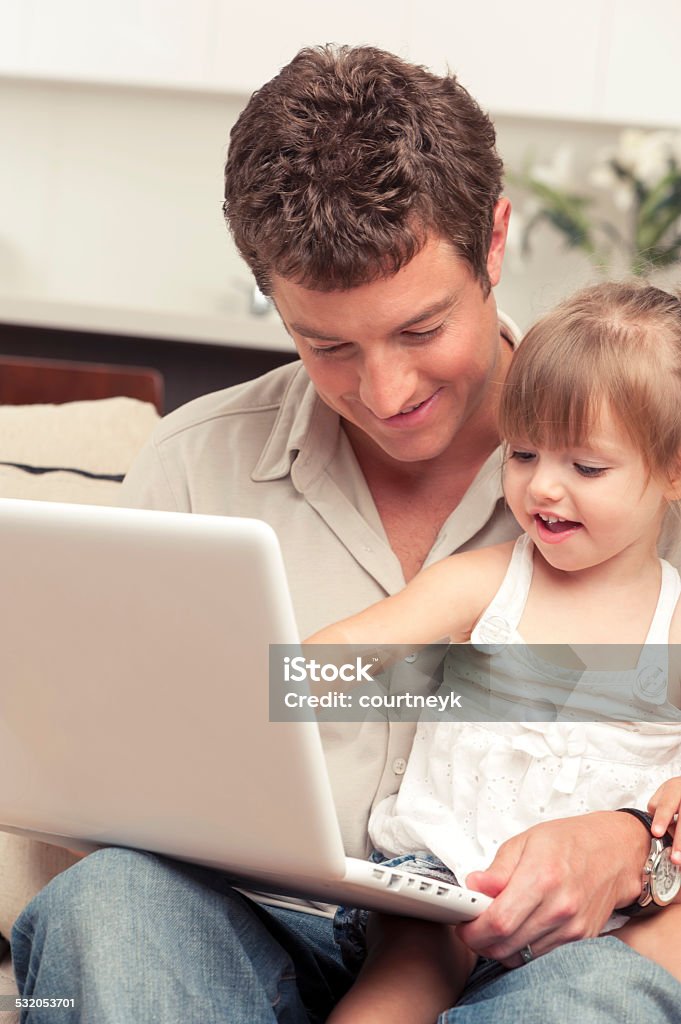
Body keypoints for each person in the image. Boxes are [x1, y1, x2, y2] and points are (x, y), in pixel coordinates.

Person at [10, 44, 681, 1023]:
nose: (387, 392)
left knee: (594, 995)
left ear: (493, 241)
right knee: (106, 904)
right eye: (326, 344)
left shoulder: (648, 452)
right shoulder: (194, 469)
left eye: (419, 330)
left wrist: (637, 845)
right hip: (249, 930)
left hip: (546, 957)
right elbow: (128, 765)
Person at [303, 281, 681, 1022]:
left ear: (671, 472)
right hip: (443, 883)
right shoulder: (489, 579)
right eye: (524, 453)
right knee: (396, 986)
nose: (542, 486)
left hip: (598, 921)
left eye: (587, 468)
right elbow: (353, 644)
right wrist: (289, 674)